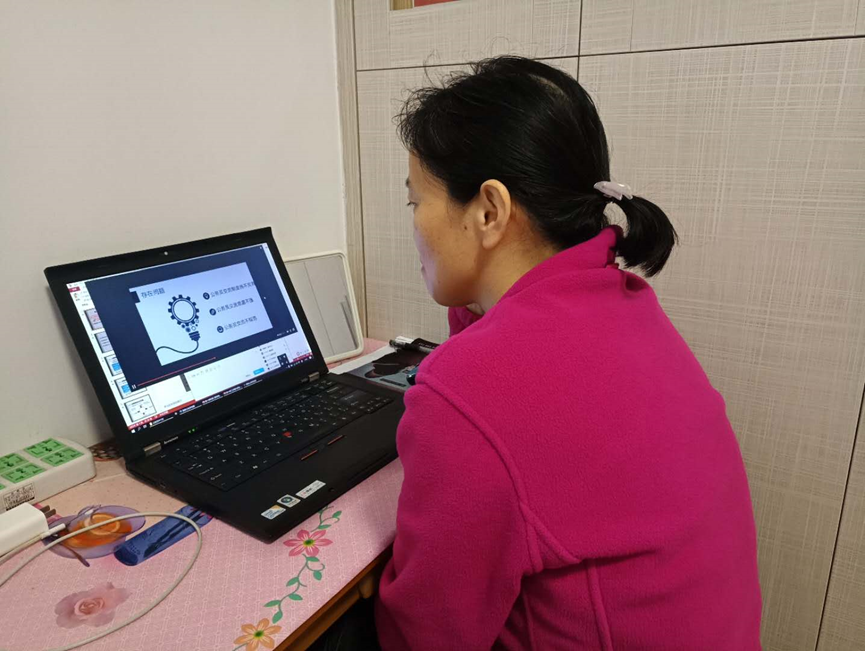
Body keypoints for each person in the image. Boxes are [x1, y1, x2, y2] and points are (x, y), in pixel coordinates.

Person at [370, 56, 762, 650]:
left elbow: (425, 637)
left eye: (415, 202)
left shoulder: (472, 387)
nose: (415, 224)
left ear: (489, 211)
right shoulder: (623, 301)